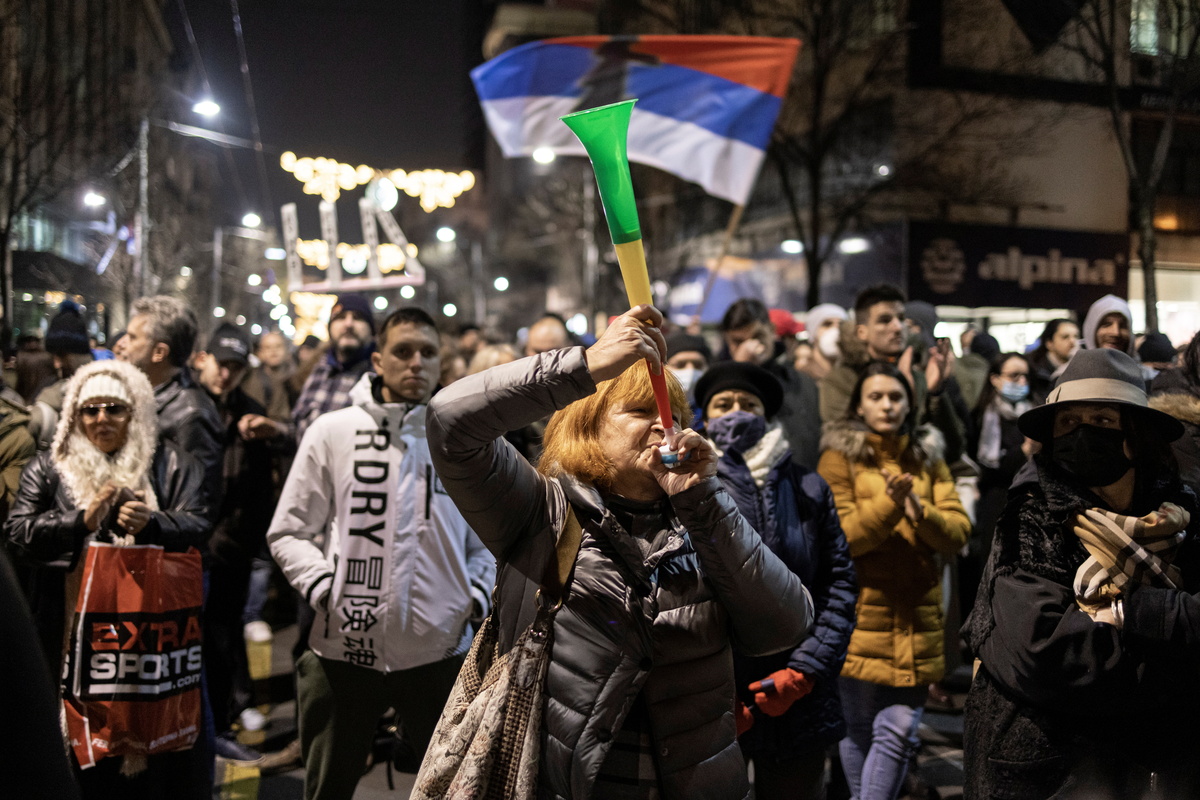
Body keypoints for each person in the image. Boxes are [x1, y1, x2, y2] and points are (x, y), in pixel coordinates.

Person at [427, 303, 814, 798]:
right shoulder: (543, 510)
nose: (663, 425)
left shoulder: (704, 515)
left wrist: (703, 500)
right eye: (639, 411)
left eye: (672, 414)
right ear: (587, 425)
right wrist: (585, 366)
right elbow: (449, 422)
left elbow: (786, 625)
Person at [268, 308, 495, 800]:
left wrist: (473, 600)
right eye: (402, 351)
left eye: (427, 353)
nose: (415, 363)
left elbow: (489, 539)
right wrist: (325, 591)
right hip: (341, 651)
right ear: (378, 360)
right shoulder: (332, 431)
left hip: (440, 649)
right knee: (327, 790)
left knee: (455, 790)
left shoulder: (463, 439)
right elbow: (289, 531)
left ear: (440, 362)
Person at [961, 348, 1200, 798]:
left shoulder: (1180, 516)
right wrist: (1172, 665)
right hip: (1048, 771)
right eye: (1068, 422)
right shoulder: (1032, 517)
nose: (1082, 434)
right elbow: (1047, 652)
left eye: (1102, 420)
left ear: (1136, 436)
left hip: (1153, 769)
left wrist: (1130, 613)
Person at [5, 359, 211, 798]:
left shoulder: (173, 462)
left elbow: (199, 523)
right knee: (79, 751)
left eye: (114, 408)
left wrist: (153, 524)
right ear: (74, 415)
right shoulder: (49, 467)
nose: (102, 419)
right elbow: (19, 534)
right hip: (69, 635)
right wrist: (79, 521)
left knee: (155, 750)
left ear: (136, 412)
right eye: (90, 409)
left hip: (149, 637)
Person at [696, 362, 857, 800]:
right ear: (705, 416)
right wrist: (717, 691)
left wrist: (805, 671)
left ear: (766, 415)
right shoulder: (687, 486)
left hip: (798, 696)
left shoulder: (809, 486)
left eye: (748, 404)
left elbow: (838, 584)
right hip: (713, 700)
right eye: (723, 404)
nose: (736, 412)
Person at [817, 362, 970, 800]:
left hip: (917, 613)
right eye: (876, 396)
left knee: (899, 728)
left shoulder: (928, 456)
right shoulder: (838, 458)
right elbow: (843, 537)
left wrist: (920, 511)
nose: (887, 405)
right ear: (859, 406)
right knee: (860, 728)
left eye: (896, 397)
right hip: (858, 613)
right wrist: (889, 504)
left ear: (909, 404)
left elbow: (958, 533)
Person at [192, 323, 274, 765]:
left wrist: (235, 541)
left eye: (235, 367)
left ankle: (220, 725)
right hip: (187, 546)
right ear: (203, 358)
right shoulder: (188, 405)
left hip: (229, 551)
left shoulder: (250, 412)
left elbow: (259, 493)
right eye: (221, 364)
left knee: (222, 640)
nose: (226, 374)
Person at [819, 285, 965, 465]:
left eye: (901, 318)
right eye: (885, 320)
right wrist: (905, 396)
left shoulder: (917, 375)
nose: (897, 327)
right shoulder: (842, 379)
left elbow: (953, 450)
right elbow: (847, 446)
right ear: (861, 332)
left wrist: (935, 393)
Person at [117, 295, 223, 501]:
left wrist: (149, 518)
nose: (122, 344)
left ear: (159, 352)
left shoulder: (192, 413)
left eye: (132, 337)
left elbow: (199, 503)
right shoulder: (137, 394)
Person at [960, 353, 1033, 618]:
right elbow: (984, 467)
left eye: (1025, 376)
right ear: (995, 379)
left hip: (1027, 502)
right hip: (994, 504)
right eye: (1014, 376)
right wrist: (1023, 451)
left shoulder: (1032, 413)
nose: (1021, 381)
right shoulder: (983, 416)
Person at [718, 298, 822, 469]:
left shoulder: (800, 380)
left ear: (772, 330)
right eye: (738, 341)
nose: (751, 347)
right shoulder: (718, 386)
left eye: (757, 336)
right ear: (727, 342)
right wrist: (741, 373)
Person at [289, 293, 377, 444]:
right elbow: (299, 431)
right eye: (341, 317)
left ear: (371, 330)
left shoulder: (382, 377)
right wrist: (276, 429)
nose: (348, 324)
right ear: (330, 328)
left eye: (358, 318)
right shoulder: (314, 370)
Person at [28, 301, 94, 450]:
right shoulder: (46, 386)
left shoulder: (97, 389)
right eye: (53, 356)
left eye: (62, 356)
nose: (57, 364)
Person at [1028, 318, 1079, 403]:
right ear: (1049, 343)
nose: (1072, 341)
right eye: (1065, 337)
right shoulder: (1034, 371)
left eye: (1076, 336)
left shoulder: (1082, 368)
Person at [797, 303, 848, 382]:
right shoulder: (802, 375)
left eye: (841, 325)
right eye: (827, 324)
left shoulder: (852, 373)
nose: (836, 330)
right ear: (813, 333)